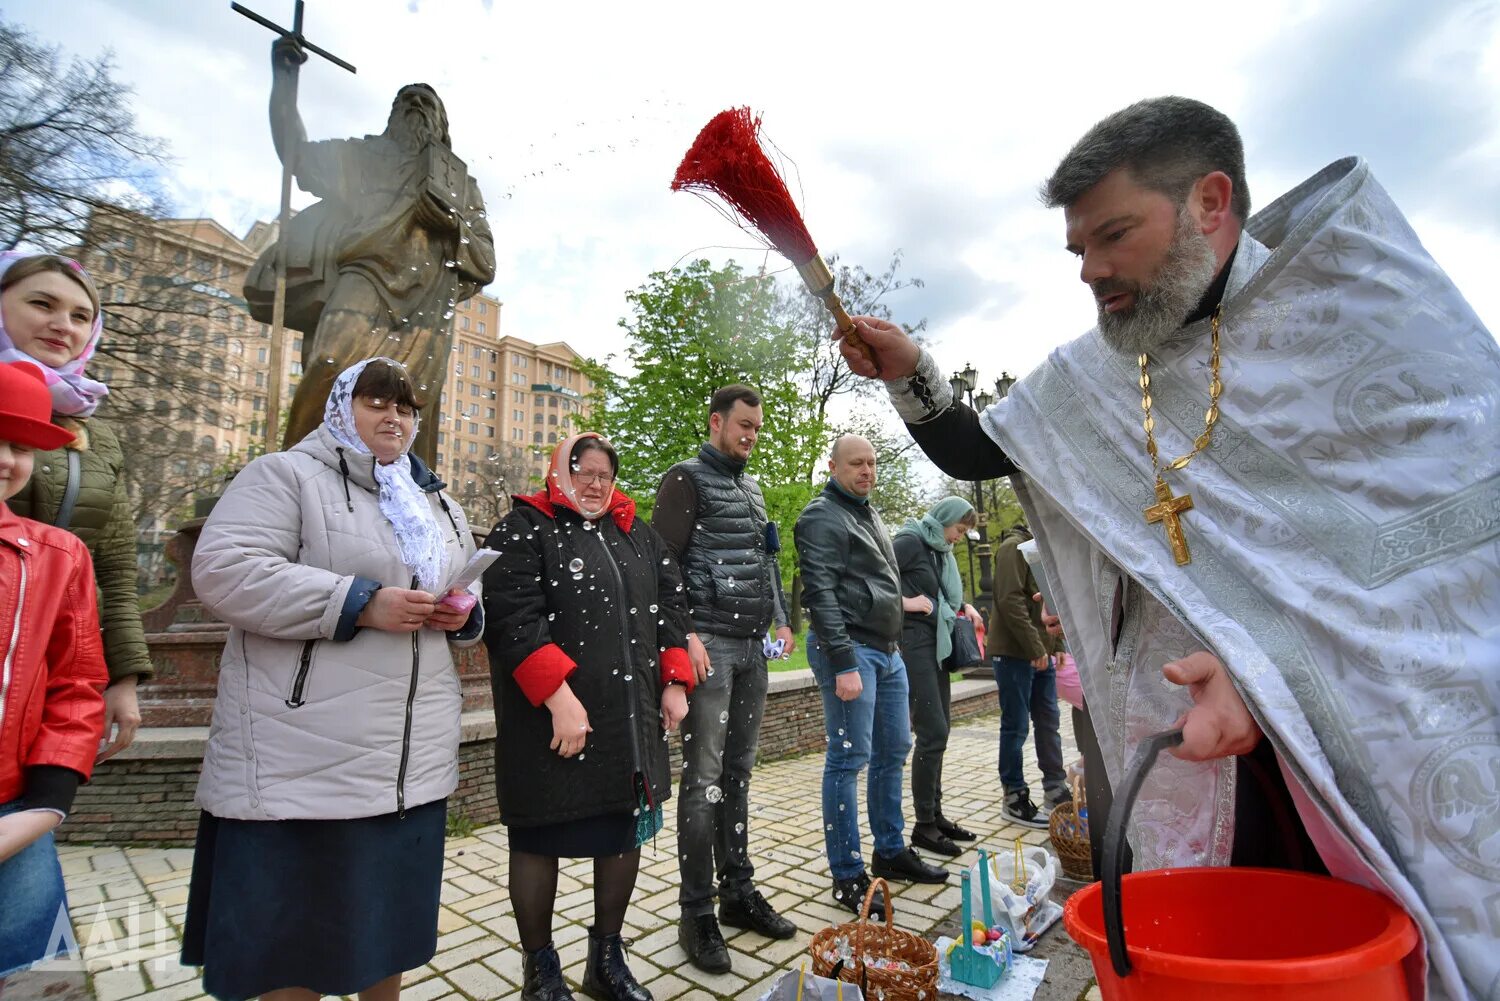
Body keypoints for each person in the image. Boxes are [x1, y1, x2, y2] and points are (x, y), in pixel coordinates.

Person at [838, 96, 1499, 1000]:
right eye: (1078, 252)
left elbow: (1450, 556)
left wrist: (1269, 677)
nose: (1093, 272)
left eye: (1114, 235)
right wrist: (912, 370)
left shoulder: (1353, 320)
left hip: (1372, 750)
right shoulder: (1110, 366)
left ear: (1210, 202)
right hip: (1208, 761)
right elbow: (986, 448)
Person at [180, 357, 483, 1001]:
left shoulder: (436, 502)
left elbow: (464, 580)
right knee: (292, 953)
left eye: (404, 407)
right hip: (305, 761)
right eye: (377, 403)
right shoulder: (286, 476)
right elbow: (225, 569)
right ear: (342, 408)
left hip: (409, 765)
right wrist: (358, 601)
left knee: (384, 941)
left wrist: (464, 609)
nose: (394, 416)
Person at [484, 432, 693, 1001]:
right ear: (560, 471)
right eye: (584, 472)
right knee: (538, 838)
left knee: (620, 833)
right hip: (551, 725)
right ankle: (541, 971)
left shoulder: (636, 534)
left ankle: (605, 960)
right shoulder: (526, 528)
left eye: (605, 474)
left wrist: (675, 681)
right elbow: (512, 617)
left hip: (625, 720)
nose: (596, 484)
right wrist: (558, 696)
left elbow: (669, 604)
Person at [246, 35, 497, 468]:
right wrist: (284, 79)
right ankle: (297, 470)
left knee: (410, 400)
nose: (416, 106)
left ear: (441, 125)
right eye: (407, 101)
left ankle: (402, 485)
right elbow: (296, 154)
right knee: (329, 365)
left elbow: (486, 261)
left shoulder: (460, 184)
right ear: (393, 115)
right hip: (365, 276)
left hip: (429, 301)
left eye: (426, 103)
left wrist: (451, 225)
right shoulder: (361, 157)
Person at [650, 385, 797, 973]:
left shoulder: (754, 489)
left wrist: (783, 619)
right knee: (703, 778)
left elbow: (768, 560)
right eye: (743, 426)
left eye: (757, 429)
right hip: (708, 644)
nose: (751, 436)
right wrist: (682, 636)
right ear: (716, 422)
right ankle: (696, 912)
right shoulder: (685, 479)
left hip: (752, 650)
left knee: (737, 773)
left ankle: (738, 891)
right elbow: (662, 564)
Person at [1, 253, 151, 762]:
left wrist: (123, 676)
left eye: (80, 316)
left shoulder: (95, 437)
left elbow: (112, 569)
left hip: (50, 674)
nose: (62, 325)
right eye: (41, 303)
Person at [795, 434, 948, 919]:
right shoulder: (822, 516)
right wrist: (842, 660)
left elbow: (881, 585)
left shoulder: (870, 513)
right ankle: (846, 873)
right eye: (857, 463)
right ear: (833, 465)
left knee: (894, 751)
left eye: (872, 463)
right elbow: (819, 591)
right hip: (851, 649)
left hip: (887, 650)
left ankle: (889, 849)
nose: (867, 470)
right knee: (848, 758)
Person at [0, 361, 109, 989]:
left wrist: (48, 801)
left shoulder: (58, 554)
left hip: (15, 811)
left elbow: (76, 679)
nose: (5, 458)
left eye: (18, 445)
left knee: (34, 978)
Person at [892, 495, 981, 857]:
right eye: (959, 529)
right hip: (915, 645)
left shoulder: (939, 550)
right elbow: (874, 580)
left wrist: (964, 606)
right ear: (945, 519)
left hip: (938, 645)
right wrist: (906, 603)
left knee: (941, 729)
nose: (959, 537)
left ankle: (936, 815)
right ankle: (923, 825)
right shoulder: (909, 541)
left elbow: (941, 594)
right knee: (933, 731)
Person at [988, 521, 1068, 828]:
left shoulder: (1042, 545)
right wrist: (1036, 647)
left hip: (1040, 652)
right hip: (1013, 653)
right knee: (1016, 725)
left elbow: (1050, 597)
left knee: (1049, 721)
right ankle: (1014, 795)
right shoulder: (1013, 549)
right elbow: (1009, 601)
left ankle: (1055, 787)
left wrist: (1056, 641)